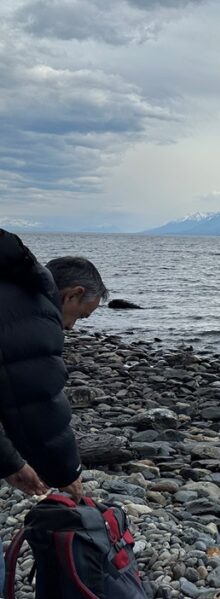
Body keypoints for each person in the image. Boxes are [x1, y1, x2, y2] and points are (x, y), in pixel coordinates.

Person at [0, 229, 106, 585]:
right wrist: (67, 473)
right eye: (81, 314)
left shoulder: (9, 295)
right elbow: (37, 403)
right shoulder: (36, 315)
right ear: (72, 293)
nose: (73, 327)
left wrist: (10, 462)